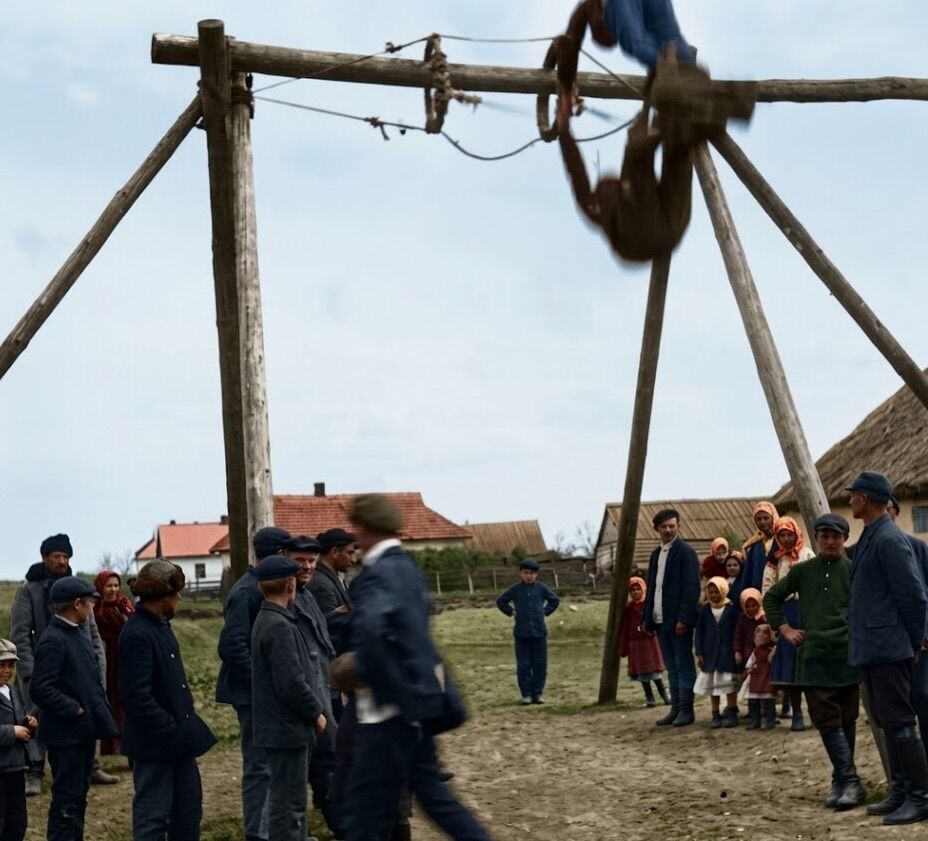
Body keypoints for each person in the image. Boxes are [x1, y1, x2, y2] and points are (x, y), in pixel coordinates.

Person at [341, 494, 492, 841]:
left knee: (362, 813)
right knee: (434, 797)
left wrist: (370, 680)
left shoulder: (376, 576)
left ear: (362, 528)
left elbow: (372, 633)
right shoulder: (407, 569)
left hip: (388, 713)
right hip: (418, 704)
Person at [764, 513, 865, 810]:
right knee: (826, 719)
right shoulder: (803, 571)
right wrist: (785, 629)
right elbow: (771, 598)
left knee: (847, 719)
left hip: (847, 656)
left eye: (836, 537)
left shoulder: (854, 570)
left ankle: (841, 781)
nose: (830, 542)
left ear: (845, 539)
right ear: (817, 539)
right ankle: (851, 781)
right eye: (825, 537)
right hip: (814, 657)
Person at [845, 472, 928, 825]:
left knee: (900, 721)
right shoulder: (873, 535)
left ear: (865, 499)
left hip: (890, 646)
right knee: (888, 721)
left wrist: (914, 641)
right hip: (875, 645)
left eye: (853, 495)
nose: (850, 500)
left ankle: (921, 797)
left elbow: (914, 595)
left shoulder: (889, 539)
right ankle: (901, 791)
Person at [10, 534, 115, 795]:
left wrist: (98, 668)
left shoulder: (78, 589)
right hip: (44, 669)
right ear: (44, 557)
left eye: (65, 556)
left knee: (85, 712)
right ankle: (35, 770)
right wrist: (30, 673)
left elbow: (93, 634)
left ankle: (91, 765)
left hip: (79, 668)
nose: (61, 561)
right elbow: (21, 635)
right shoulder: (29, 589)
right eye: (56, 556)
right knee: (36, 717)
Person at [119, 560, 217, 841]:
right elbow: (136, 697)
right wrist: (171, 730)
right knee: (152, 820)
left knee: (188, 814)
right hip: (154, 747)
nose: (180, 599)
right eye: (176, 593)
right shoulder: (138, 634)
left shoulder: (160, 626)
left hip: (178, 744)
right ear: (163, 596)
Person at [216, 526, 292, 841]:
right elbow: (232, 647)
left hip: (262, 694)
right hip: (252, 696)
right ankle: (257, 834)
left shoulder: (260, 586)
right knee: (259, 767)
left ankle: (273, 829)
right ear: (280, 553)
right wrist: (261, 684)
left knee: (271, 765)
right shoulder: (247, 591)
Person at [30, 577, 118, 841]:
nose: (93, 606)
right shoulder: (54, 639)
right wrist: (74, 709)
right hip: (65, 737)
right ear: (77, 604)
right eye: (90, 601)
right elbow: (41, 688)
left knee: (78, 798)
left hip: (82, 734)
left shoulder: (77, 633)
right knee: (66, 803)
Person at [250, 555, 327, 841]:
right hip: (286, 729)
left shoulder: (269, 619)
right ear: (290, 585)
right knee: (288, 804)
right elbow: (291, 682)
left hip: (281, 729)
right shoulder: (278, 626)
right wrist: (316, 713)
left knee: (290, 800)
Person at [288, 535, 340, 838]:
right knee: (312, 769)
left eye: (311, 561)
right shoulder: (285, 600)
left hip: (323, 690)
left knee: (326, 761)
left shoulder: (305, 594)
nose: (307, 567)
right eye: (300, 561)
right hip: (305, 699)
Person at [642, 508, 700, 727]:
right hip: (660, 620)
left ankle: (686, 710)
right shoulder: (656, 555)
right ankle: (675, 709)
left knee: (684, 665)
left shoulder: (686, 553)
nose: (668, 530)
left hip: (678, 622)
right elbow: (652, 588)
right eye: (664, 527)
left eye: (672, 526)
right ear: (656, 529)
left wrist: (684, 619)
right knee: (671, 666)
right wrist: (647, 618)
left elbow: (692, 588)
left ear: (678, 526)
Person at [762, 516, 814, 731]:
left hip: (807, 612)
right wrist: (773, 621)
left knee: (809, 664)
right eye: (781, 535)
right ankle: (796, 714)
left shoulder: (807, 555)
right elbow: (768, 589)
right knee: (791, 668)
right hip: (786, 615)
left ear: (796, 534)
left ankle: (815, 712)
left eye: (789, 534)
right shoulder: (774, 560)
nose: (786, 539)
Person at [887, 498, 928, 758]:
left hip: (919, 639)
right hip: (887, 641)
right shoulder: (862, 550)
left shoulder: (917, 547)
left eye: (888, 509)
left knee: (922, 696)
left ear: (896, 512)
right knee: (894, 709)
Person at [496, 559, 560, 705]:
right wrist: (511, 612)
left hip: (539, 633)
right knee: (523, 665)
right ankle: (526, 694)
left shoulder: (541, 588)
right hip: (522, 634)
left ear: (536, 574)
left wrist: (545, 612)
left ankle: (538, 693)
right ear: (521, 573)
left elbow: (554, 600)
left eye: (532, 573)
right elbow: (501, 601)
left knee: (540, 665)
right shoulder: (515, 589)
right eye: (526, 573)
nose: (529, 576)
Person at [309, 528, 357, 721]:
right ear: (335, 552)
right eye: (349, 553)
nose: (353, 559)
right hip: (329, 669)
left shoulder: (334, 578)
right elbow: (327, 627)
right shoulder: (321, 583)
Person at [92, 570, 133, 757]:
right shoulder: (96, 610)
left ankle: (128, 744)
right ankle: (111, 745)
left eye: (116, 585)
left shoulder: (124, 605)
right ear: (101, 587)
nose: (113, 589)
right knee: (111, 701)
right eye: (109, 586)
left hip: (125, 658)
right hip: (107, 660)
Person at [0, 639, 36, 841]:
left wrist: (28, 723)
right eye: (1, 665)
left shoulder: (13, 691)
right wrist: (12, 732)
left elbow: (17, 718)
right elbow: (11, 729)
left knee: (17, 821)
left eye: (11, 665)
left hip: (16, 768)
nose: (7, 671)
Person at [694, 577, 739, 729]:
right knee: (713, 686)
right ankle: (715, 714)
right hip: (710, 654)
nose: (713, 595)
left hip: (727, 654)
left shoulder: (731, 610)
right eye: (711, 592)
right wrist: (699, 653)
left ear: (724, 591)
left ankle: (732, 712)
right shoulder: (705, 610)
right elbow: (699, 633)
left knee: (729, 685)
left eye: (717, 592)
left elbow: (736, 633)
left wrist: (736, 650)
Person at [617, 577, 670, 707]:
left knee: (655, 672)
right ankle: (649, 697)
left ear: (643, 589)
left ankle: (664, 695)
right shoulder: (629, 609)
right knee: (643, 673)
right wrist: (624, 648)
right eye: (633, 590)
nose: (636, 592)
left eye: (638, 589)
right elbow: (625, 628)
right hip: (636, 644)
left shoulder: (648, 606)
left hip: (649, 642)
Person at [740, 625, 776, 730]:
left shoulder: (772, 650)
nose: (761, 635)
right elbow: (750, 663)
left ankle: (770, 721)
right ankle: (754, 720)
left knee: (768, 700)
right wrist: (748, 670)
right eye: (758, 632)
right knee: (753, 700)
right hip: (755, 677)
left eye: (765, 633)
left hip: (767, 677)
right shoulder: (755, 651)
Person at [742, 502, 779, 592]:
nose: (762, 522)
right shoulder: (754, 545)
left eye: (766, 518)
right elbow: (748, 572)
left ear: (773, 518)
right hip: (758, 593)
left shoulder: (781, 541)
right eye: (758, 519)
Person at [733, 588, 766, 671]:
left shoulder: (764, 618)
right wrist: (737, 651)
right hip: (747, 654)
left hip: (762, 654)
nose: (751, 609)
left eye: (754, 605)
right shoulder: (743, 619)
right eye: (747, 606)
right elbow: (738, 637)